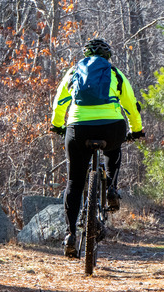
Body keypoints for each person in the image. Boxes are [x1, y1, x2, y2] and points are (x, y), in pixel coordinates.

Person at [50, 38, 145, 258]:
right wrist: (136, 130)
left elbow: (59, 102)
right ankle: (110, 188)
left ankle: (70, 235)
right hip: (111, 127)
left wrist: (57, 125)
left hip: (78, 128)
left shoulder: (73, 72)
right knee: (114, 149)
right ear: (107, 57)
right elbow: (130, 105)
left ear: (85, 55)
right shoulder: (115, 73)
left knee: (74, 182)